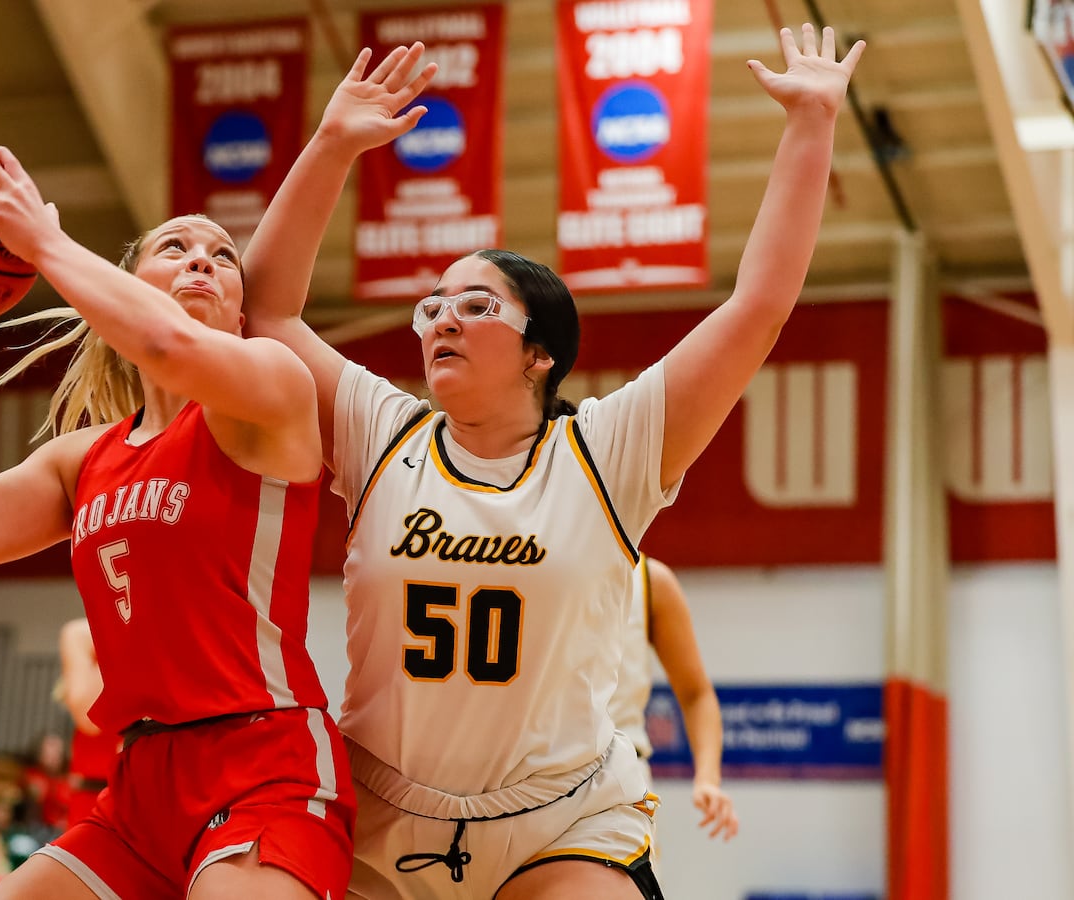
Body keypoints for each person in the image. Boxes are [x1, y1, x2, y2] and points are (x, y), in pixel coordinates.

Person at [242, 27, 863, 899]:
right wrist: (332, 142)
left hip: (563, 820)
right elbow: (266, 310)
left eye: (474, 304)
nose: (442, 320)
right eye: (431, 308)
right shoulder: (382, 433)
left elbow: (757, 308)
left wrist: (811, 125)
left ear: (541, 353)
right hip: (380, 816)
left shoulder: (609, 451)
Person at [0, 51, 430, 887]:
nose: (204, 259)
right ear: (128, 290)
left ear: (242, 311)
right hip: (139, 786)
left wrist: (48, 243)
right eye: (175, 248)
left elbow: (168, 342)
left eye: (223, 257)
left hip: (267, 768)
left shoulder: (268, 396)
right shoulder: (83, 459)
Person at [609, 557, 738, 843]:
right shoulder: (528, 562)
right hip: (535, 775)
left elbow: (697, 694)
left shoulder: (650, 579)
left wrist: (708, 779)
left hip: (619, 778)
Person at [56, 617, 121, 827]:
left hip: (152, 793)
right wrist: (126, 632)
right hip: (92, 795)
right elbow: (89, 718)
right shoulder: (80, 633)